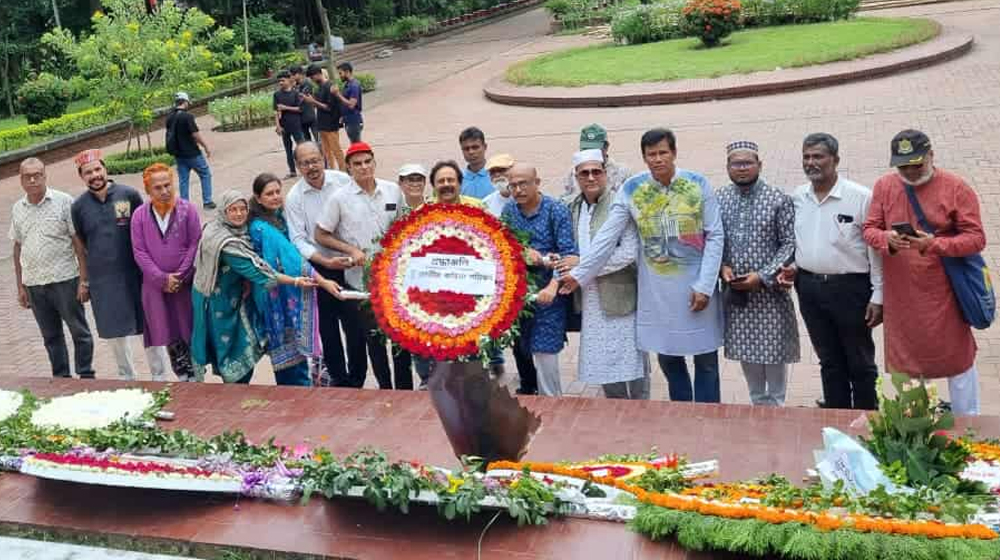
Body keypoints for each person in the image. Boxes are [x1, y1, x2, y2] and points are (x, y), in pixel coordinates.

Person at [561, 128, 725, 403]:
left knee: (705, 358)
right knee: (669, 357)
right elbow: (606, 238)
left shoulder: (698, 184)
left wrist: (706, 285)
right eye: (652, 154)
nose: (658, 159)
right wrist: (580, 274)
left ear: (674, 153)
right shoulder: (633, 189)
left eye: (663, 152)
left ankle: (709, 416)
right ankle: (682, 412)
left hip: (697, 288)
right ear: (644, 157)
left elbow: (715, 234)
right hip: (656, 293)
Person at [863, 129, 986, 416]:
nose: (910, 171)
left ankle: (969, 425)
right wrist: (887, 239)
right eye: (903, 165)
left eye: (917, 164)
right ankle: (915, 427)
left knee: (958, 361)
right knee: (907, 366)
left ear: (931, 155)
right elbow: (869, 229)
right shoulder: (885, 186)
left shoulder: (956, 187)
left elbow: (976, 239)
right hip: (902, 297)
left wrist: (935, 244)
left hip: (945, 294)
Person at [780, 133, 883, 410]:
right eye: (806, 157)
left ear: (836, 160)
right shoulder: (798, 197)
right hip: (810, 288)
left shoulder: (860, 197)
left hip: (851, 289)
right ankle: (835, 419)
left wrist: (879, 296)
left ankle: (866, 420)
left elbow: (875, 250)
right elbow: (798, 243)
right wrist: (791, 267)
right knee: (829, 359)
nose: (811, 162)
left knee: (859, 360)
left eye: (818, 156)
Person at [191, 191, 318, 383]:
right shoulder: (226, 243)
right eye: (233, 210)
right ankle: (235, 394)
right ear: (224, 212)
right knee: (233, 351)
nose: (239, 214)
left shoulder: (230, 230)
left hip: (236, 298)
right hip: (221, 306)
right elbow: (258, 272)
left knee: (245, 345)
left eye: (243, 209)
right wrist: (296, 281)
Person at [315, 141, 410, 390]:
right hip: (361, 282)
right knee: (374, 341)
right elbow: (321, 234)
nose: (364, 167)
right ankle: (385, 388)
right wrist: (351, 250)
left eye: (368, 161)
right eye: (357, 164)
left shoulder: (392, 191)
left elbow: (403, 227)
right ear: (348, 168)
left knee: (401, 339)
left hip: (394, 279)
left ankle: (405, 390)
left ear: (375, 163)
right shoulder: (339, 199)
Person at [558, 149, 648, 399]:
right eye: (584, 173)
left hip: (621, 293)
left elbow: (629, 252)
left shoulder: (621, 203)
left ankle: (642, 411)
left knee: (633, 360)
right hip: (588, 296)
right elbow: (565, 250)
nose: (590, 178)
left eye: (596, 171)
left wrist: (583, 267)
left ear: (606, 174)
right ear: (576, 177)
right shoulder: (572, 208)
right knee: (602, 362)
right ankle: (615, 411)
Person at [717, 141, 798, 406]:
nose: (741, 169)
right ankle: (757, 407)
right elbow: (713, 240)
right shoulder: (719, 199)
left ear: (759, 165)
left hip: (769, 295)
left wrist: (762, 276)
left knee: (774, 355)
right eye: (735, 164)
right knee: (747, 355)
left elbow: (789, 243)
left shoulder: (778, 199)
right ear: (728, 167)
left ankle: (776, 409)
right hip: (737, 294)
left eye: (747, 163)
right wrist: (722, 267)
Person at [249, 172, 344, 386]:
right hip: (276, 296)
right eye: (269, 194)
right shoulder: (260, 228)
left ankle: (301, 389)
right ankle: (295, 395)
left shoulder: (279, 218)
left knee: (296, 352)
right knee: (286, 355)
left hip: (288, 292)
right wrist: (322, 280)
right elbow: (292, 259)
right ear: (258, 198)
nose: (275, 197)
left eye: (277, 192)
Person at [71, 149, 157, 380]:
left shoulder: (128, 195)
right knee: (115, 334)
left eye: (98, 169)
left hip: (136, 274)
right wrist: (85, 280)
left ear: (105, 169)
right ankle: (128, 379)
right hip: (104, 281)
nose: (95, 175)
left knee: (149, 326)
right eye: (88, 172)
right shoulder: (78, 207)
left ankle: (159, 376)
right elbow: (81, 245)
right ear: (82, 177)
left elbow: (146, 230)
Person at [11, 158, 94, 379]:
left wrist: (84, 280)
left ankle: (86, 376)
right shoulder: (18, 208)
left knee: (80, 332)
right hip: (35, 284)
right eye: (27, 176)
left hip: (65, 280)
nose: (33, 180)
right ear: (21, 180)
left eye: (37, 174)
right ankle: (62, 378)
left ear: (45, 175)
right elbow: (18, 248)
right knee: (51, 336)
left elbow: (78, 244)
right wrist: (20, 286)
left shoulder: (64, 201)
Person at [502, 164, 578, 397]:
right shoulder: (509, 211)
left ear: (537, 182)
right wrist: (521, 252)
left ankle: (553, 404)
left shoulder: (556, 210)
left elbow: (570, 254)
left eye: (523, 183)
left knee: (546, 352)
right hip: (521, 295)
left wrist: (553, 285)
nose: (518, 190)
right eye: (513, 185)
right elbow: (502, 246)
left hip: (549, 296)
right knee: (524, 349)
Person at [284, 142, 355, 387]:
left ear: (324, 158)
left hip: (350, 262)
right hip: (320, 266)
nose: (311, 167)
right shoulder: (294, 197)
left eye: (315, 160)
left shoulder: (343, 181)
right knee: (328, 327)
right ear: (298, 166)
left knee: (355, 324)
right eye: (305, 163)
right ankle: (340, 379)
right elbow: (298, 238)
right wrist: (325, 261)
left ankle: (357, 377)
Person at [130, 163, 200, 382]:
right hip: (156, 287)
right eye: (157, 187)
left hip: (185, 284)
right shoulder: (139, 216)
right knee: (168, 329)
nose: (164, 191)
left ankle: (197, 372)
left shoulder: (187, 210)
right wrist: (162, 279)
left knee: (190, 327)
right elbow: (139, 251)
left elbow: (195, 244)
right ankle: (182, 374)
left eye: (167, 185)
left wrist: (179, 276)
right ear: (148, 190)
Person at [165, 91, 215, 209]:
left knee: (183, 179)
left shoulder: (170, 117)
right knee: (205, 174)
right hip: (192, 153)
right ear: (185, 102)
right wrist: (206, 146)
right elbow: (195, 134)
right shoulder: (187, 117)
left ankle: (184, 204)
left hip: (178, 154)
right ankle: (207, 201)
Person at [562, 124, 631, 197]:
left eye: (595, 150)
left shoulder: (622, 172)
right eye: (586, 149)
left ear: (606, 147)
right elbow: (567, 199)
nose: (590, 153)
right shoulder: (573, 173)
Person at [304, 64, 345, 171]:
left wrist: (313, 101)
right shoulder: (318, 88)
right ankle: (332, 171)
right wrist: (310, 100)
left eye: (313, 78)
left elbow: (329, 107)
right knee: (326, 151)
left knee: (336, 150)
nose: (312, 80)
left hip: (331, 123)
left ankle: (344, 171)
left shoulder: (329, 86)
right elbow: (318, 105)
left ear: (318, 74)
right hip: (321, 124)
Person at [273, 70, 305, 179]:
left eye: (283, 80)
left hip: (296, 125)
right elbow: (276, 111)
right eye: (279, 81)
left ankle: (305, 167)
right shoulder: (276, 95)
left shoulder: (296, 93)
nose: (281, 83)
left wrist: (286, 108)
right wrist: (278, 126)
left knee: (301, 147)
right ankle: (292, 171)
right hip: (284, 126)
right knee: (288, 149)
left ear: (288, 80)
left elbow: (300, 109)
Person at [459, 127, 495, 200]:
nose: (471, 152)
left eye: (475, 147)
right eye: (466, 149)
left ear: (485, 147)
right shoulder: (458, 180)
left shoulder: (496, 175)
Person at [331, 62, 363, 143]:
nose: (339, 76)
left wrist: (337, 94)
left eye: (340, 73)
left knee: (356, 144)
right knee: (354, 142)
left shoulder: (354, 85)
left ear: (347, 72)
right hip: (349, 120)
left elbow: (351, 105)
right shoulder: (347, 84)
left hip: (354, 121)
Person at [290, 66, 317, 143]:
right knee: (307, 143)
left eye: (293, 75)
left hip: (310, 116)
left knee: (318, 140)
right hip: (301, 118)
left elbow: (299, 100)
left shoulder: (307, 83)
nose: (291, 77)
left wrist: (293, 88)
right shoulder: (296, 86)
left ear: (298, 74)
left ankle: (322, 155)